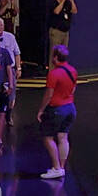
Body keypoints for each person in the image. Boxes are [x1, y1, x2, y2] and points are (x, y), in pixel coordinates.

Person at [37, 45, 78, 180]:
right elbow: (73, 89)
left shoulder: (54, 74)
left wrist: (41, 110)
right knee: (63, 137)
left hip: (57, 109)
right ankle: (61, 167)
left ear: (55, 57)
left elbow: (49, 95)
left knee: (48, 138)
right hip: (70, 108)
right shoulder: (72, 70)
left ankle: (56, 168)